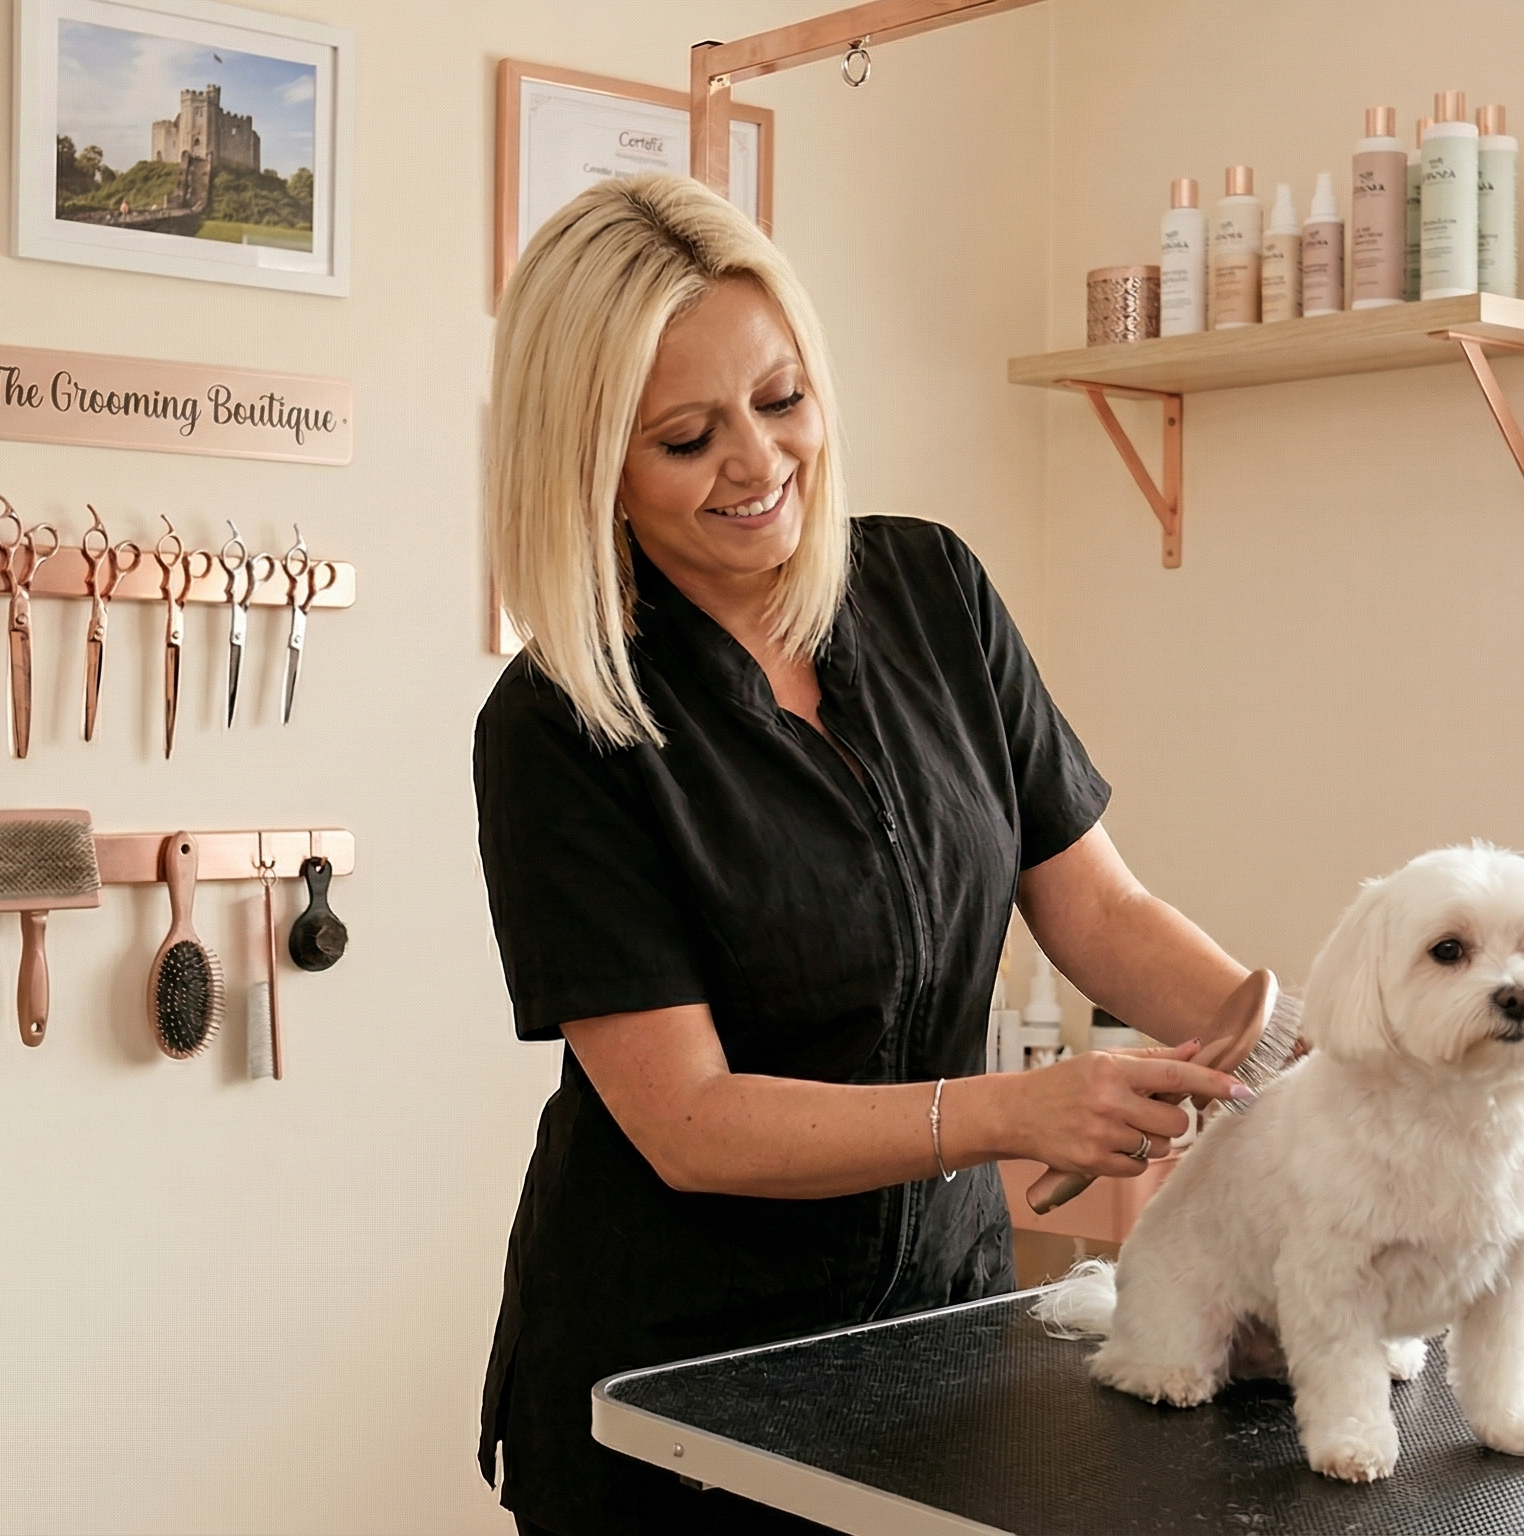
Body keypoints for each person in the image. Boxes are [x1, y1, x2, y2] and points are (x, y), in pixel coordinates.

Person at [474, 173, 1260, 1535]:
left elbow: (1100, 907)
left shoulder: (932, 592)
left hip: (936, 1341)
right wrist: (1018, 1111)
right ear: (590, 457)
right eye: (684, 437)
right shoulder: (558, 726)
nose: (760, 464)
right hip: (675, 1382)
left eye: (781, 401)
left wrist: (1306, 1055)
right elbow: (691, 1121)